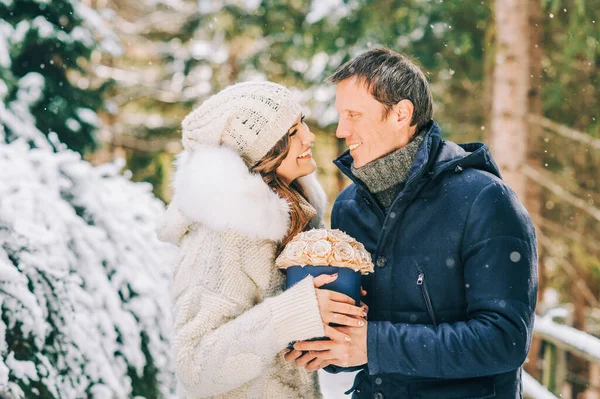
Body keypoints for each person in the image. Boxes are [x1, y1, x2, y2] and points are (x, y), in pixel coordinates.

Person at [287, 48, 538, 398]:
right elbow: (357, 344)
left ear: (401, 114)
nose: (342, 129)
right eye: (341, 115)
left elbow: (504, 340)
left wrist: (373, 344)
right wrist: (327, 338)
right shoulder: (349, 207)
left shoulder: (485, 199)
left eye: (354, 115)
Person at [156, 81, 366, 398]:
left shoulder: (293, 220)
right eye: (293, 133)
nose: (309, 137)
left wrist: (338, 306)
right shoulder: (221, 235)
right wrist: (295, 312)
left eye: (303, 124)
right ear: (263, 152)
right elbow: (194, 365)